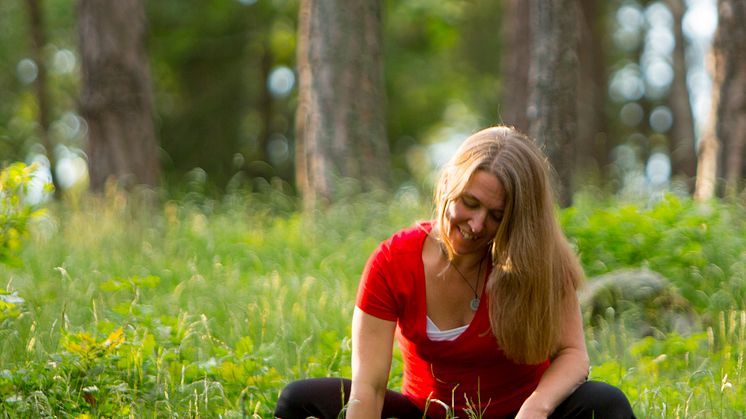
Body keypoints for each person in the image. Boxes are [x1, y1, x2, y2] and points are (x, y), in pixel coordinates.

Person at [274, 126, 635, 418]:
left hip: (520, 413)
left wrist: (536, 409)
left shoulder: (535, 261)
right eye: (470, 203)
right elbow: (368, 389)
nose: (477, 225)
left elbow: (573, 354)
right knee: (299, 399)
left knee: (606, 404)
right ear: (448, 183)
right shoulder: (393, 261)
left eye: (497, 216)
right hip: (426, 413)